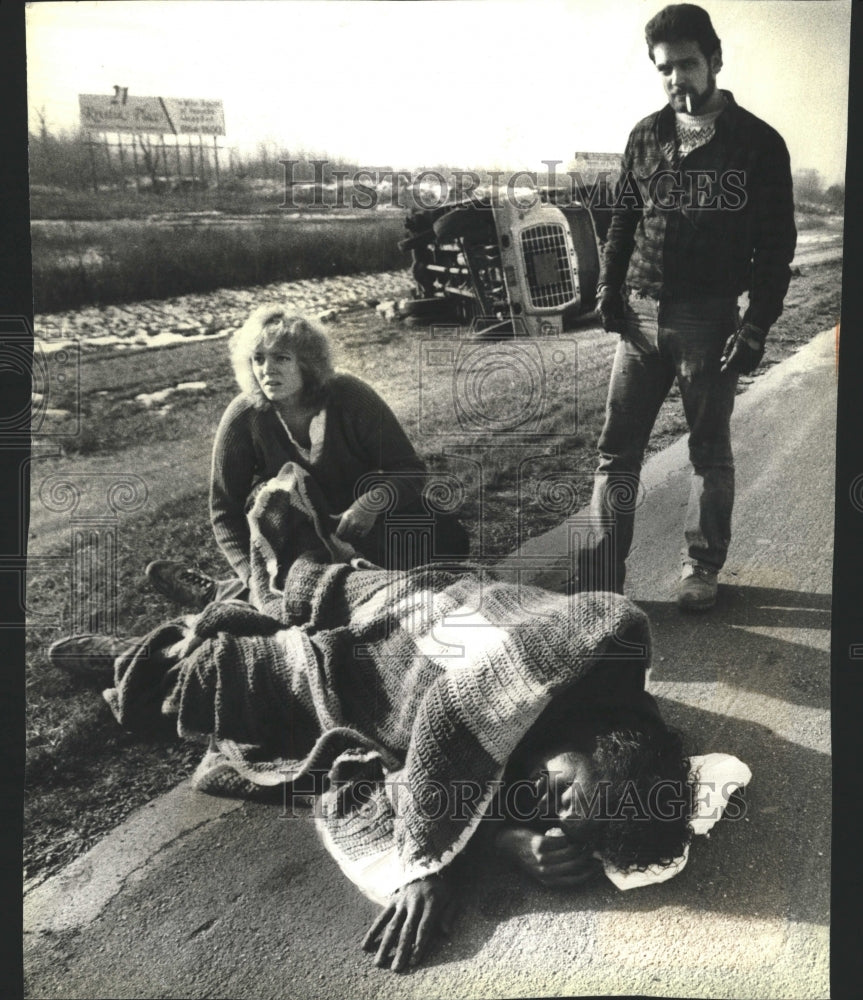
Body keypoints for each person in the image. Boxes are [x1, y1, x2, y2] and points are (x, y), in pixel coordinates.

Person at [584, 3, 797, 609]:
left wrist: (756, 326)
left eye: (688, 64)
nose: (677, 78)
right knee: (615, 453)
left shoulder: (758, 144)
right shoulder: (645, 135)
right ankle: (604, 583)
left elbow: (776, 247)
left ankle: (701, 569)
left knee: (707, 451)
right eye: (665, 68)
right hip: (640, 318)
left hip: (709, 320)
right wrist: (609, 288)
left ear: (715, 61)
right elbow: (623, 219)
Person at [146, 305, 469, 609]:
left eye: (281, 358)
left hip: (367, 526)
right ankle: (238, 590)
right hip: (298, 536)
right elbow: (224, 512)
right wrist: (253, 577)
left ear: (309, 363)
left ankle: (228, 592)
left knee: (445, 547)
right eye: (258, 359)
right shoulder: (244, 417)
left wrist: (374, 502)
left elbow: (409, 469)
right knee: (321, 595)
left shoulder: (350, 397)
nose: (266, 370)